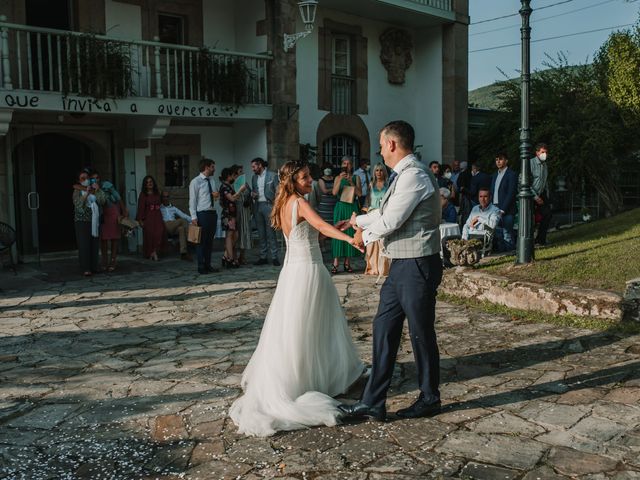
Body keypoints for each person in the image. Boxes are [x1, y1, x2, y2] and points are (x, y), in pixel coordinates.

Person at [229, 160, 364, 437]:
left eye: (309, 176)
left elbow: (312, 230)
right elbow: (321, 229)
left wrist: (337, 224)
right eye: (304, 177)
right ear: (292, 180)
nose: (310, 180)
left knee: (295, 329)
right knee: (313, 327)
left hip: (292, 272)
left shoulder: (283, 205)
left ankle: (302, 377)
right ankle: (308, 382)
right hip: (310, 271)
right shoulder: (300, 202)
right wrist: (351, 240)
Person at [339, 120, 444, 422]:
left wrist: (364, 236)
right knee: (383, 328)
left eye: (382, 144)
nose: (380, 150)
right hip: (402, 265)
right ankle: (373, 402)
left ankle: (429, 397)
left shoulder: (415, 176)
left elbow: (392, 221)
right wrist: (357, 221)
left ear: (393, 144)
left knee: (421, 333)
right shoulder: (404, 175)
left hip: (418, 263)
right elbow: (383, 213)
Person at [331, 156, 362, 274]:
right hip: (340, 207)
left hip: (351, 207)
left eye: (348, 163)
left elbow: (359, 194)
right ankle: (335, 263)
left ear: (352, 165)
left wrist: (351, 182)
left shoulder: (356, 177)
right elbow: (334, 193)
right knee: (337, 232)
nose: (346, 165)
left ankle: (347, 262)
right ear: (341, 165)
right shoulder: (337, 177)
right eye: (344, 163)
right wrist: (339, 180)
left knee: (350, 233)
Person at [73, 169, 107, 276]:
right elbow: (78, 206)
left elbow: (103, 201)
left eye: (87, 178)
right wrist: (86, 194)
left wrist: (98, 190)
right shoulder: (77, 190)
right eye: (83, 178)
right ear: (79, 181)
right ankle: (86, 268)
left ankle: (94, 266)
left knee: (94, 244)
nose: (86, 180)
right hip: (82, 221)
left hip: (94, 220)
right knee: (84, 245)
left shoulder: (94, 189)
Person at [189, 158, 220, 274]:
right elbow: (192, 200)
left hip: (212, 213)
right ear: (206, 167)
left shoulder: (212, 180)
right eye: (212, 167)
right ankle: (201, 266)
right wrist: (193, 217)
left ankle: (208, 264)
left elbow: (214, 196)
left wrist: (216, 196)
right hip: (202, 214)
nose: (214, 169)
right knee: (201, 241)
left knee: (209, 241)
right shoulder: (195, 182)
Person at [250, 157, 280, 266]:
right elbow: (254, 190)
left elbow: (278, 191)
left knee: (271, 232)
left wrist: (276, 207)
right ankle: (263, 257)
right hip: (257, 205)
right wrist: (253, 194)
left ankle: (275, 257)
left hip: (269, 205)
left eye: (254, 166)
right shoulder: (254, 178)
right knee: (261, 232)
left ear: (260, 165)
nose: (252, 169)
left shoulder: (272, 175)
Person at [219, 167, 248, 268]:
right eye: (232, 175)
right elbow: (231, 198)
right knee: (230, 235)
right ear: (228, 176)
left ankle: (226, 256)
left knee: (235, 235)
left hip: (232, 214)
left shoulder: (228, 186)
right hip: (228, 215)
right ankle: (230, 259)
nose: (233, 177)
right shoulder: (224, 187)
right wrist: (240, 190)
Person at [364, 163, 389, 276]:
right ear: (374, 172)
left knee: (382, 241)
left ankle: (383, 268)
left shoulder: (388, 184)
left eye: (381, 170)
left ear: (384, 172)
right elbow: (367, 200)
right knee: (372, 241)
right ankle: (372, 267)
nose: (379, 172)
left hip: (384, 214)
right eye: (377, 170)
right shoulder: (371, 185)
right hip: (372, 213)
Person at [490, 153, 518, 252]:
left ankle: (511, 253)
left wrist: (503, 209)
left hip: (507, 209)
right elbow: (492, 192)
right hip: (495, 207)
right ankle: (502, 253)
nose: (498, 161)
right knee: (498, 233)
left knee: (507, 233)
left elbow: (511, 193)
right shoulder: (494, 175)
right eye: (496, 159)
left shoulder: (511, 174)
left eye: (500, 159)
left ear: (506, 161)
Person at [136, 175, 166, 261]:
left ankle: (154, 252)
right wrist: (140, 220)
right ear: (145, 184)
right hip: (148, 217)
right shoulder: (143, 195)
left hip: (157, 216)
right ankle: (153, 253)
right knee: (150, 235)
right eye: (147, 182)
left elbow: (161, 203)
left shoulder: (157, 193)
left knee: (159, 233)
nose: (149, 184)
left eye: (151, 182)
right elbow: (141, 207)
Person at [160, 191, 192, 261]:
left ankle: (183, 253)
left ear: (169, 198)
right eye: (164, 197)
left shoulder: (173, 208)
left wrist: (194, 220)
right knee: (182, 220)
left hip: (174, 226)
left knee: (181, 229)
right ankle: (190, 238)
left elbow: (184, 215)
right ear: (161, 198)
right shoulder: (159, 208)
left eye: (167, 197)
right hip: (165, 225)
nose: (166, 198)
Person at [531, 143, 551, 246]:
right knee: (531, 218)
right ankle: (530, 240)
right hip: (531, 194)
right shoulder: (530, 163)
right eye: (542, 152)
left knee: (547, 215)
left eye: (546, 152)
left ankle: (541, 239)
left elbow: (545, 181)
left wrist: (546, 195)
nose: (545, 154)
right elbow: (522, 182)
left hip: (542, 193)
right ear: (537, 153)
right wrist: (534, 196)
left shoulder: (545, 164)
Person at [231, 164, 252, 266]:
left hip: (246, 210)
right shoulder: (232, 184)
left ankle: (242, 256)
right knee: (236, 234)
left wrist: (251, 196)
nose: (242, 173)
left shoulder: (246, 184)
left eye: (242, 171)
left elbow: (250, 194)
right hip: (237, 211)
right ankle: (234, 257)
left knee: (245, 233)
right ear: (235, 174)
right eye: (240, 172)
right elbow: (231, 199)